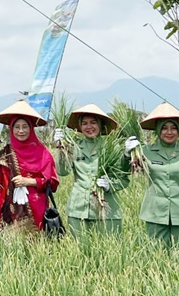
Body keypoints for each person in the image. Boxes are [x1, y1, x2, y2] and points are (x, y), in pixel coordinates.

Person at [54, 104, 130, 236]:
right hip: (78, 209)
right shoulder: (74, 147)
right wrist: (60, 148)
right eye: (84, 123)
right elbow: (63, 172)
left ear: (101, 125)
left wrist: (109, 185)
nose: (89, 127)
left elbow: (123, 179)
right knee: (80, 252)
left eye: (93, 122)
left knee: (108, 251)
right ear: (80, 126)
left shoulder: (111, 148)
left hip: (107, 209)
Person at [0, 100, 59, 233]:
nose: (21, 131)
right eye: (17, 127)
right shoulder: (4, 155)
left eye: (25, 127)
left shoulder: (43, 153)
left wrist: (30, 181)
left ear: (31, 128)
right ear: (11, 128)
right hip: (11, 214)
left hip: (39, 211)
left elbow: (53, 182)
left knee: (40, 249)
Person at [134, 102, 179, 246]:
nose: (169, 132)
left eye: (173, 128)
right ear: (158, 130)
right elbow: (125, 170)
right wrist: (126, 154)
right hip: (155, 212)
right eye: (164, 128)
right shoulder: (145, 151)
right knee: (156, 254)